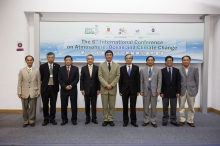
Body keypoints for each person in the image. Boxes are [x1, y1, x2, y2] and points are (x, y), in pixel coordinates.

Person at [17, 55, 41, 127]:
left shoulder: (36, 70)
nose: (29, 61)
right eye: (28, 60)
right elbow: (19, 82)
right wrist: (19, 92)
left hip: (34, 92)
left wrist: (39, 91)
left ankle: (32, 120)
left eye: (31, 60)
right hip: (24, 92)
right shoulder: (22, 70)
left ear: (33, 61)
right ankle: (25, 121)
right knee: (24, 108)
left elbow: (38, 82)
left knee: (33, 108)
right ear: (26, 61)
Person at [98, 50, 120, 126]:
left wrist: (112, 85)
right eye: (107, 55)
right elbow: (100, 76)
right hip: (104, 88)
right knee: (104, 106)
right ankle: (105, 119)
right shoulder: (101, 65)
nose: (109, 56)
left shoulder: (117, 65)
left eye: (110, 55)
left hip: (113, 88)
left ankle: (110, 119)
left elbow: (118, 76)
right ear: (105, 56)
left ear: (112, 56)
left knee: (111, 106)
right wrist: (106, 85)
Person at [140, 56, 162, 128]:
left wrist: (158, 90)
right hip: (146, 91)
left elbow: (159, 81)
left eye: (151, 60)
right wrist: (141, 90)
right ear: (146, 61)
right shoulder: (142, 70)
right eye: (148, 60)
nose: (150, 61)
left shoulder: (158, 70)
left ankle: (153, 120)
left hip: (154, 91)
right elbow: (141, 81)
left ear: (153, 61)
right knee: (145, 107)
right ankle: (146, 120)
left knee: (153, 107)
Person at [119, 54, 140, 127]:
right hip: (124, 90)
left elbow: (138, 79)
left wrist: (138, 90)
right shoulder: (121, 68)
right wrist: (120, 90)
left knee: (133, 106)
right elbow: (120, 80)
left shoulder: (136, 68)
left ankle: (133, 121)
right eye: (127, 58)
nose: (128, 59)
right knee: (125, 106)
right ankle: (125, 121)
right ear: (125, 59)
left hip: (134, 90)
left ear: (132, 59)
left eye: (130, 58)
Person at [40, 52, 60, 126]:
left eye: (52, 57)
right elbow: (41, 77)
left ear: (54, 58)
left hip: (54, 88)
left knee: (53, 104)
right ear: (47, 58)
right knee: (45, 104)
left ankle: (52, 118)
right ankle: (46, 119)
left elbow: (58, 77)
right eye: (49, 57)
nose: (51, 58)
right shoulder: (42, 66)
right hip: (45, 88)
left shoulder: (57, 66)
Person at [58, 55, 79, 126]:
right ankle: (64, 119)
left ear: (71, 61)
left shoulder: (75, 68)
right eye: (66, 60)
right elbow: (59, 79)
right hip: (64, 90)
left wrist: (70, 85)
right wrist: (64, 86)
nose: (68, 61)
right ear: (64, 61)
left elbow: (77, 79)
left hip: (73, 89)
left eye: (69, 60)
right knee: (63, 106)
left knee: (74, 106)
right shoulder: (61, 69)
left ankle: (74, 119)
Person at [179, 55, 199, 127]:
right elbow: (178, 81)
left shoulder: (195, 68)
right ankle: (182, 120)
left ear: (189, 61)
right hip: (182, 89)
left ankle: (190, 120)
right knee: (181, 106)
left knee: (191, 106)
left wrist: (196, 90)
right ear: (182, 61)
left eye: (187, 60)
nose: (185, 61)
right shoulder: (179, 69)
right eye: (184, 60)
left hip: (192, 89)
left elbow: (197, 80)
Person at [160, 56, 180, 126]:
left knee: (173, 107)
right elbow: (161, 82)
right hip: (165, 92)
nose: (169, 62)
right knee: (165, 107)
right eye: (168, 60)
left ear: (172, 62)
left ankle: (173, 120)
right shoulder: (162, 70)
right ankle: (165, 119)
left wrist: (178, 92)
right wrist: (161, 92)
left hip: (174, 92)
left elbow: (178, 82)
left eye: (170, 60)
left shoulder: (176, 70)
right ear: (165, 62)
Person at [80, 54, 100, 124]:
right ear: (86, 60)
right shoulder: (83, 68)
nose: (90, 60)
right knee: (87, 104)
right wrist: (82, 89)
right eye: (88, 59)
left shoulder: (97, 68)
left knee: (94, 105)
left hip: (94, 89)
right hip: (86, 89)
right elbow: (81, 79)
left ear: (93, 60)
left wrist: (98, 89)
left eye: (91, 59)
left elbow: (98, 80)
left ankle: (94, 118)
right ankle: (87, 118)